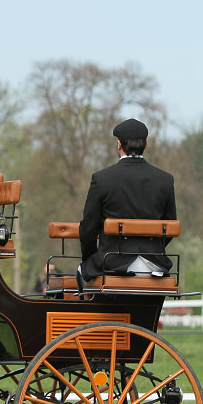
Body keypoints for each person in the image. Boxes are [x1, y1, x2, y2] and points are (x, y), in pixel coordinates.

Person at [77, 118, 176, 289]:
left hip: (112, 264)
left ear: (118, 145)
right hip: (155, 266)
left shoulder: (102, 179)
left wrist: (90, 258)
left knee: (81, 273)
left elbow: (88, 229)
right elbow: (170, 226)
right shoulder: (165, 180)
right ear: (146, 144)